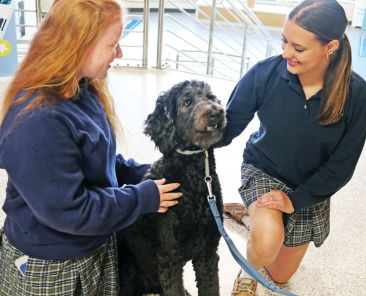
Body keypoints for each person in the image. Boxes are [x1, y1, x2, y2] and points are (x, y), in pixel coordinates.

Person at [0, 0, 182, 295]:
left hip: (92, 242)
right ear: (78, 45)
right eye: (113, 44)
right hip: (53, 264)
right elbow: (74, 211)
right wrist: (141, 198)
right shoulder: (38, 124)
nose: (119, 53)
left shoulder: (83, 87)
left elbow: (97, 157)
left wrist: (146, 174)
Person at [220, 0, 366, 295]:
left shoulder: (356, 94)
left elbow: (342, 166)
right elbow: (226, 127)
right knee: (265, 243)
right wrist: (189, 142)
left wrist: (295, 200)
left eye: (298, 48)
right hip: (264, 169)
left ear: (331, 47)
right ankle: (249, 263)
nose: (286, 52)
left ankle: (250, 217)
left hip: (311, 186)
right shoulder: (266, 73)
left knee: (279, 274)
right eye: (284, 41)